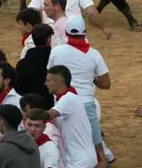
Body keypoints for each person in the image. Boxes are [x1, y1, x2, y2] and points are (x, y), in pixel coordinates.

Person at [47, 17, 112, 165]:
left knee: (63, 147)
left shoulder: (57, 52)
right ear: (85, 33)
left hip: (62, 104)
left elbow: (49, 76)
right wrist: (91, 77)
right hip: (87, 104)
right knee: (99, 151)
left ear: (66, 32)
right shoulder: (94, 54)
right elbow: (106, 83)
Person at [46, 65, 99, 168]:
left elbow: (49, 115)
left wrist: (27, 115)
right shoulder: (60, 99)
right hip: (75, 159)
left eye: (48, 81)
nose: (45, 84)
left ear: (58, 82)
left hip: (81, 161)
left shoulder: (69, 99)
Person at [15, 24, 54, 109]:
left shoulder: (22, 64)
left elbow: (18, 89)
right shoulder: (55, 60)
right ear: (48, 40)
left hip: (28, 108)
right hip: (50, 108)